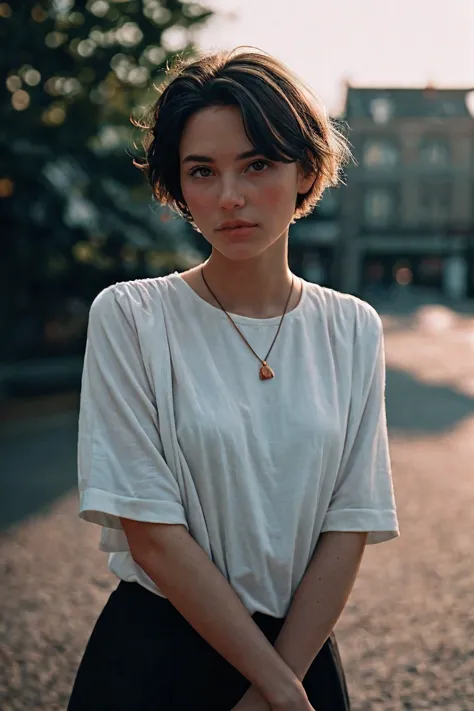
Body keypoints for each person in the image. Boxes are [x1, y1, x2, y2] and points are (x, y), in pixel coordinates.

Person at [68, 47, 400, 711]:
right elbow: (151, 532)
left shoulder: (352, 328)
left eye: (256, 164)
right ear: (178, 185)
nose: (230, 196)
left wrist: (283, 680)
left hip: (300, 654)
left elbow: (349, 522)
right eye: (203, 171)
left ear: (305, 169)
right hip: (156, 660)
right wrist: (278, 692)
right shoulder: (133, 316)